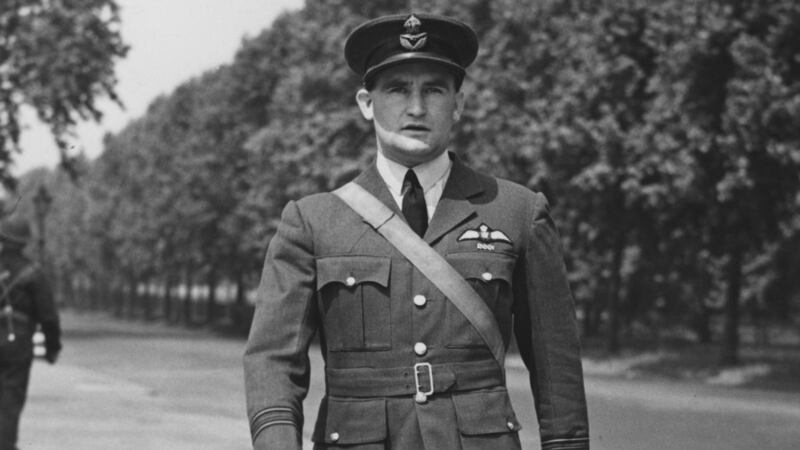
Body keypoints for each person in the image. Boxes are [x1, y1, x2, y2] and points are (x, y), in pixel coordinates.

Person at [244, 12, 589, 450]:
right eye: (397, 89)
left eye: (434, 90)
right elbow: (272, 361)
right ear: (367, 103)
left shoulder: (516, 211)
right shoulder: (312, 221)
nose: (417, 108)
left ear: (458, 105)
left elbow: (556, 365)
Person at [0, 218, 61, 450]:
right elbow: (49, 317)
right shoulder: (33, 273)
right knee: (10, 400)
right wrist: (52, 348)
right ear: (25, 242)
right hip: (17, 343)